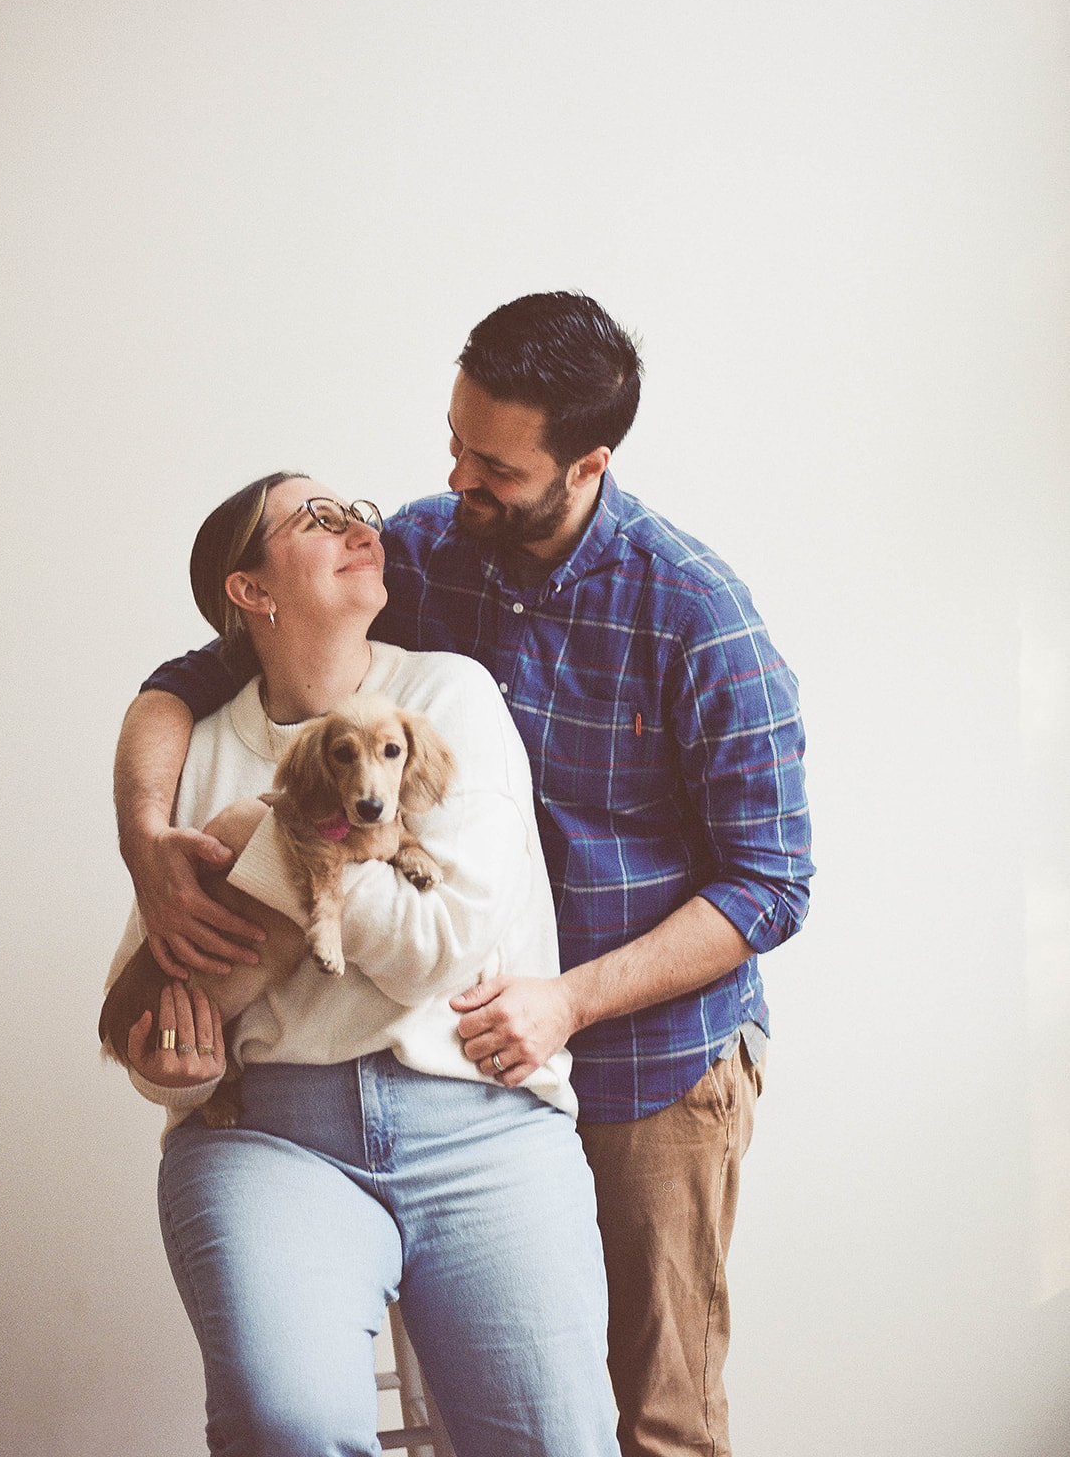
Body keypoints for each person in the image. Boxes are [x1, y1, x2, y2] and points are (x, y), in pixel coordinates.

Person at [116, 294, 815, 1457]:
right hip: (449, 1052)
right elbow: (204, 670)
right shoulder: (437, 550)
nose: (453, 477)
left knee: (648, 1420)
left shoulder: (698, 617)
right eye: (454, 441)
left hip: (649, 1064)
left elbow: (772, 883)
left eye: (491, 462)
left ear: (585, 465)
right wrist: (148, 837)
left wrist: (569, 999)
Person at [105, 470, 622, 1457]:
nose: (356, 526)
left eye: (358, 513)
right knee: (284, 1426)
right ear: (249, 591)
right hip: (268, 1137)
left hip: (482, 1123)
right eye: (315, 518)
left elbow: (435, 949)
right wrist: (174, 1067)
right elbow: (158, 987)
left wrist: (253, 835)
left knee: (558, 1443)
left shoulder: (445, 697)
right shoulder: (199, 746)